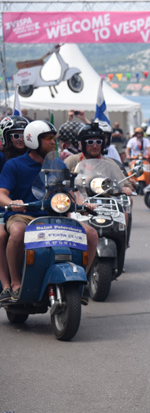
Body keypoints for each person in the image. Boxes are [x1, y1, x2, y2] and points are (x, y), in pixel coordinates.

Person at [0, 121, 97, 302]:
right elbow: (1, 193)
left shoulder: (58, 165)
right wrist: (13, 203)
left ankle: (80, 282)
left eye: (53, 138)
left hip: (53, 216)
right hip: (24, 215)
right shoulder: (14, 165)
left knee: (91, 234)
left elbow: (70, 192)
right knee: (18, 231)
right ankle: (14, 283)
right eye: (47, 139)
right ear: (33, 141)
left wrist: (84, 205)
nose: (53, 143)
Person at [0, 116, 29, 299]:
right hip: (4, 208)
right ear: (6, 137)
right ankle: (5, 284)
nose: (20, 140)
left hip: (25, 209)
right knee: (1, 235)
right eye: (15, 136)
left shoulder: (35, 157)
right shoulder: (2, 158)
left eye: (23, 135)